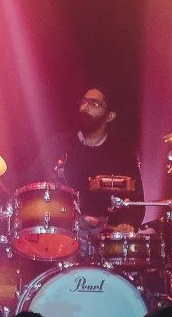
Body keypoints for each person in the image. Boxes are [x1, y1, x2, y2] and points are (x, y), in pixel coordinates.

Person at [59, 85, 140, 227]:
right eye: (83, 101)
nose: (85, 107)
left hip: (105, 235)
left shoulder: (122, 154)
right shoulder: (59, 144)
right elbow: (30, 181)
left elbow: (136, 203)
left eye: (94, 104)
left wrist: (124, 226)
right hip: (64, 232)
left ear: (110, 116)